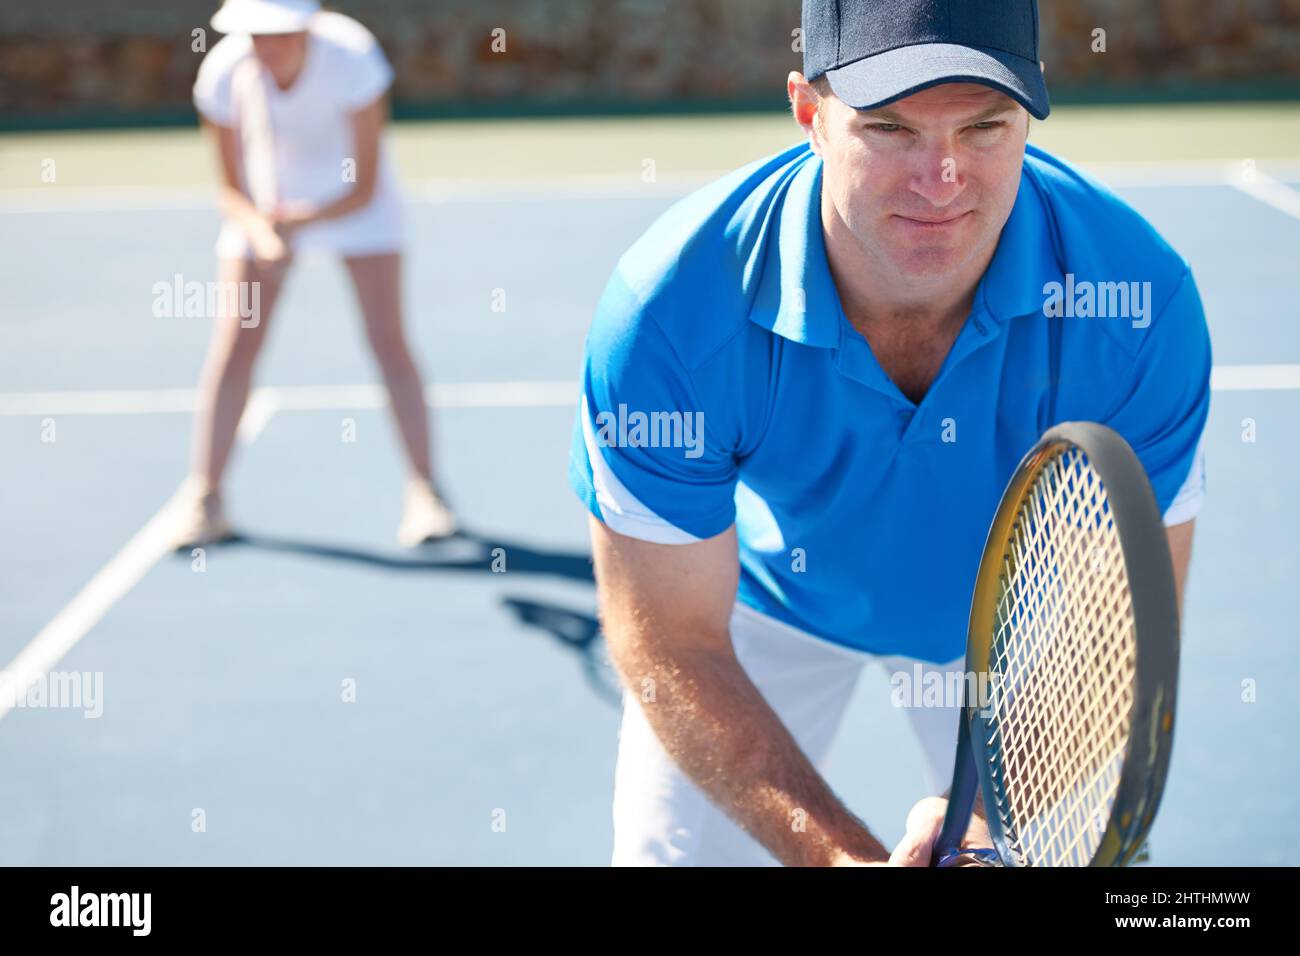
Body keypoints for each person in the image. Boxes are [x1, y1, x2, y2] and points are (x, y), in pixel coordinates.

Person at [569, 0, 1209, 866]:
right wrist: (841, 859)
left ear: (1030, 113)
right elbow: (671, 640)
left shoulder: (1137, 306)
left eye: (985, 127)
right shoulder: (669, 315)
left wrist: (980, 831)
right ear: (810, 114)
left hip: (1016, 641)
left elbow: (1115, 623)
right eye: (892, 129)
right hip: (760, 611)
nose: (941, 177)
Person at [176, 0, 455, 548]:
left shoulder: (353, 57)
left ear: (308, 26)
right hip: (265, 215)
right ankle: (206, 499)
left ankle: (426, 494)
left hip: (357, 210)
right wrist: (261, 231)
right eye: (255, 31)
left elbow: (366, 183)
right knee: (235, 347)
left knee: (388, 342)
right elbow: (229, 188)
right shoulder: (223, 72)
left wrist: (300, 220)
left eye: (279, 31)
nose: (266, 43)